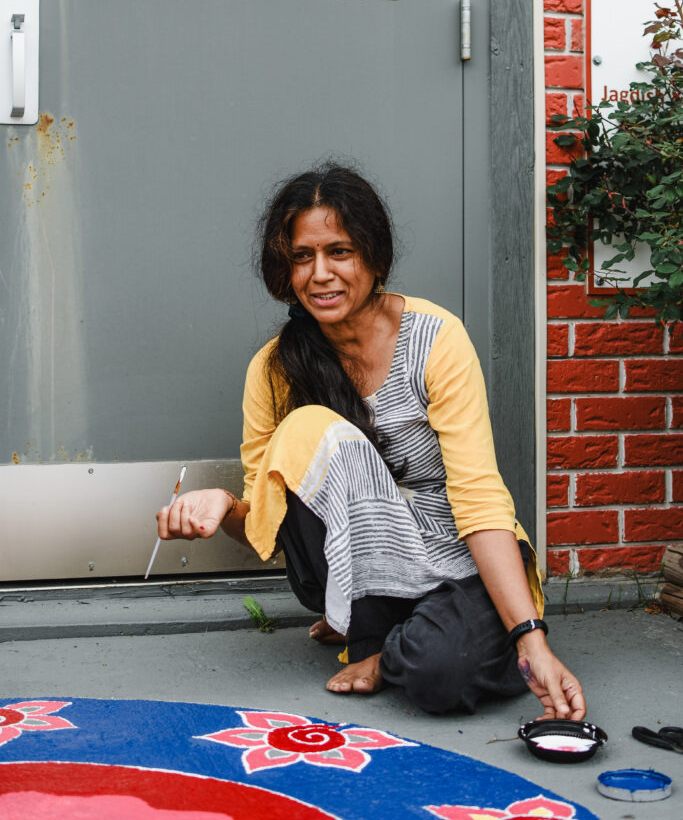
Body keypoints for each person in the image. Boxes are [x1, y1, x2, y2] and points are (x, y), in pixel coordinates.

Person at [156, 163, 585, 720]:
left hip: (454, 555)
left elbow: (478, 494)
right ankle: (386, 628)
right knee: (312, 428)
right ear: (283, 270)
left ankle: (388, 654)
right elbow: (272, 523)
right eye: (302, 256)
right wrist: (226, 507)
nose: (321, 274)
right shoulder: (274, 369)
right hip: (356, 572)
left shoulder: (436, 339)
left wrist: (532, 639)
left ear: (374, 256)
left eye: (340, 251)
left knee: (440, 676)